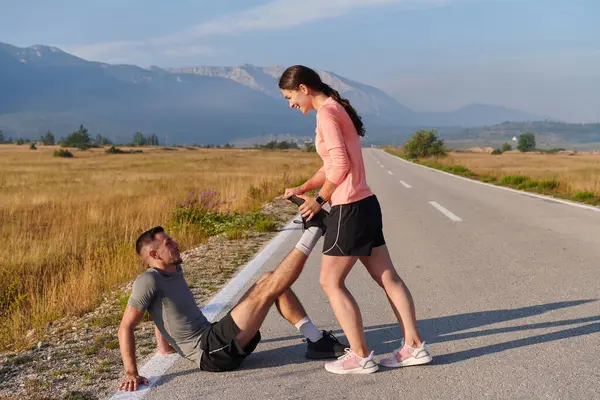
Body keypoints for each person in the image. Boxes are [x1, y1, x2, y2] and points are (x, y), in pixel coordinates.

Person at [280, 65, 433, 374]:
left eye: (289, 96)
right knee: (387, 276)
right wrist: (304, 187)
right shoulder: (334, 109)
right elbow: (331, 163)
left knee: (330, 281)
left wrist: (319, 200)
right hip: (364, 204)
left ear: (304, 89)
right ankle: (414, 347)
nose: (290, 104)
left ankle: (360, 356)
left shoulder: (327, 114)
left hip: (349, 208)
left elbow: (340, 164)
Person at [117, 215, 346, 392]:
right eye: (169, 243)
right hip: (210, 352)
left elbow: (162, 308)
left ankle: (316, 340)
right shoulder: (148, 280)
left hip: (213, 336)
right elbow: (126, 326)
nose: (176, 243)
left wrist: (164, 346)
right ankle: (315, 230)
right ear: (155, 255)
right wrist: (131, 372)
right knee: (271, 286)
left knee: (268, 279)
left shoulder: (174, 269)